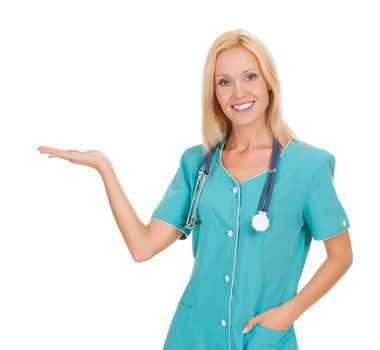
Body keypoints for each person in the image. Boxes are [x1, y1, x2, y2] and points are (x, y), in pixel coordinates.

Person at [37, 29, 353, 350]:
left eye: (250, 77)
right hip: (192, 336)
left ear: (268, 82)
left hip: (262, 338)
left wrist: (286, 314)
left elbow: (341, 255)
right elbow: (142, 247)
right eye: (224, 82)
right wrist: (104, 166)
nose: (238, 92)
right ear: (213, 92)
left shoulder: (308, 166)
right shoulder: (197, 164)